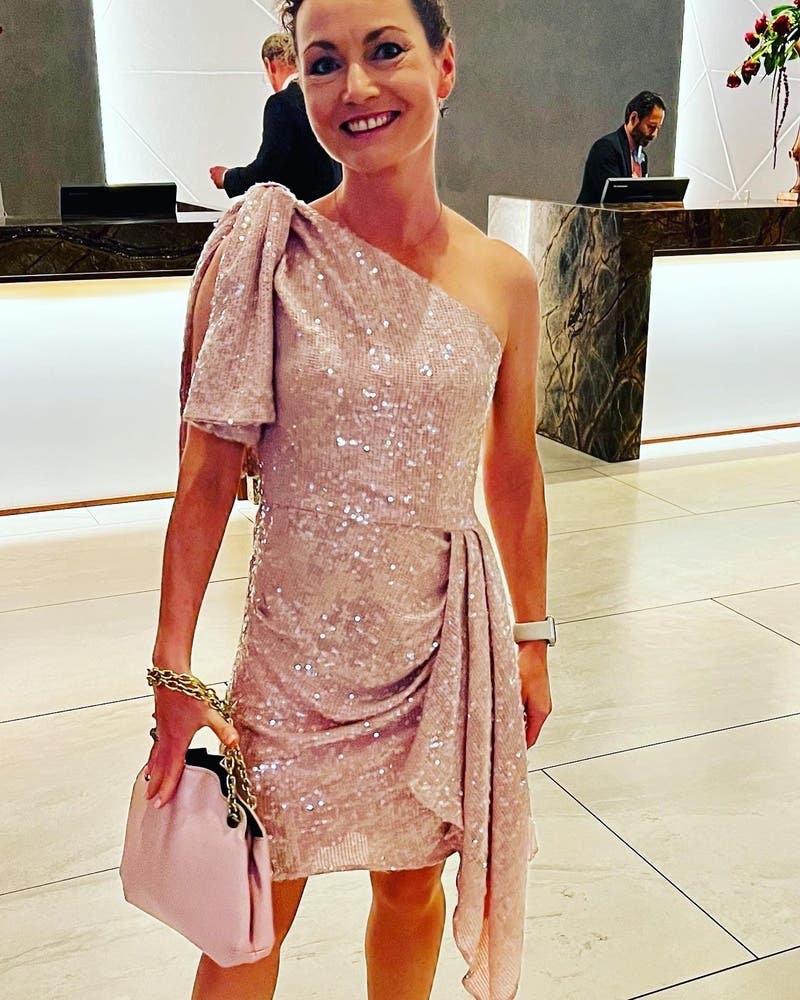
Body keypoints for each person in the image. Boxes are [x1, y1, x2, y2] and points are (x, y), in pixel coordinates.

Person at [146, 1, 551, 998]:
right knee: (245, 915)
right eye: (324, 62)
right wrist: (172, 667)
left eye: (386, 51)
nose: (355, 87)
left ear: (444, 65)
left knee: (410, 889)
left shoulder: (504, 279)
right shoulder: (268, 255)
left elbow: (512, 468)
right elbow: (206, 475)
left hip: (432, 652)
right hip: (293, 658)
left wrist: (533, 638)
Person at [209, 32, 341, 202]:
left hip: (302, 211)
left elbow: (267, 169)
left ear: (269, 65)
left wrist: (227, 178)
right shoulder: (325, 96)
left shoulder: (281, 103)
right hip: (334, 207)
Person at [576, 91, 666, 204]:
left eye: (658, 128)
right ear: (634, 118)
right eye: (651, 126)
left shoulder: (642, 157)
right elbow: (613, 198)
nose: (654, 134)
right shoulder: (605, 148)